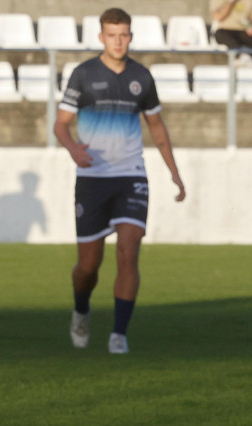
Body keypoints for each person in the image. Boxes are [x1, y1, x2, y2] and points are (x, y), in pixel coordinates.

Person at [53, 8, 186, 355]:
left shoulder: (142, 76)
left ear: (130, 36)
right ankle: (81, 308)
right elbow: (61, 124)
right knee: (88, 266)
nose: (118, 40)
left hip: (131, 175)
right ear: (101, 37)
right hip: (92, 177)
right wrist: (72, 150)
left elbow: (156, 127)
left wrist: (174, 172)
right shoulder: (83, 74)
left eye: (124, 34)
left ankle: (118, 335)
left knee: (129, 253)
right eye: (112, 34)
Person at [211, 0, 252, 66]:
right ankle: (241, 56)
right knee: (226, 39)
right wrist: (230, 2)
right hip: (225, 30)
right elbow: (218, 17)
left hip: (244, 30)